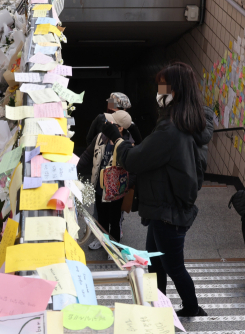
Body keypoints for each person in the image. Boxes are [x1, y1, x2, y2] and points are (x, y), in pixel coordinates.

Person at [100, 62, 211, 317]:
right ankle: (155, 308)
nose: (159, 92)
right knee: (155, 262)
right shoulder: (191, 123)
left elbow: (135, 158)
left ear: (176, 91)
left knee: (173, 267)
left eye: (163, 87)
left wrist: (117, 139)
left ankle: (192, 309)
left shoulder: (171, 130)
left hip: (167, 211)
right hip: (168, 207)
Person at [77, 110, 135, 253]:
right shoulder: (100, 138)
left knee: (114, 220)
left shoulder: (128, 145)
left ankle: (114, 247)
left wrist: (128, 187)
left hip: (116, 193)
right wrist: (74, 168)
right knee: (101, 218)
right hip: (100, 187)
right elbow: (86, 156)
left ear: (120, 128)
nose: (106, 123)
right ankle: (101, 240)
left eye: (111, 123)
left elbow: (133, 170)